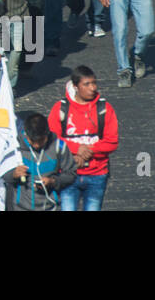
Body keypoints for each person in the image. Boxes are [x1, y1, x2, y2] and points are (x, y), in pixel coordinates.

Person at [48, 66, 119, 211]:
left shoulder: (104, 108)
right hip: (68, 175)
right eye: (86, 84)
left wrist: (88, 151)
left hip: (97, 175)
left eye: (94, 83)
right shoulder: (60, 109)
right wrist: (76, 149)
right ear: (75, 86)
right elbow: (53, 139)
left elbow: (112, 142)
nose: (92, 88)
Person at [3, 113, 76, 211]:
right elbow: (3, 174)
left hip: (50, 206)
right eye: (32, 141)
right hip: (21, 207)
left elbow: (71, 174)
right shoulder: (15, 147)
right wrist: (13, 174)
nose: (36, 145)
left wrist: (53, 181)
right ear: (26, 135)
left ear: (47, 133)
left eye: (41, 140)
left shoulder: (59, 146)